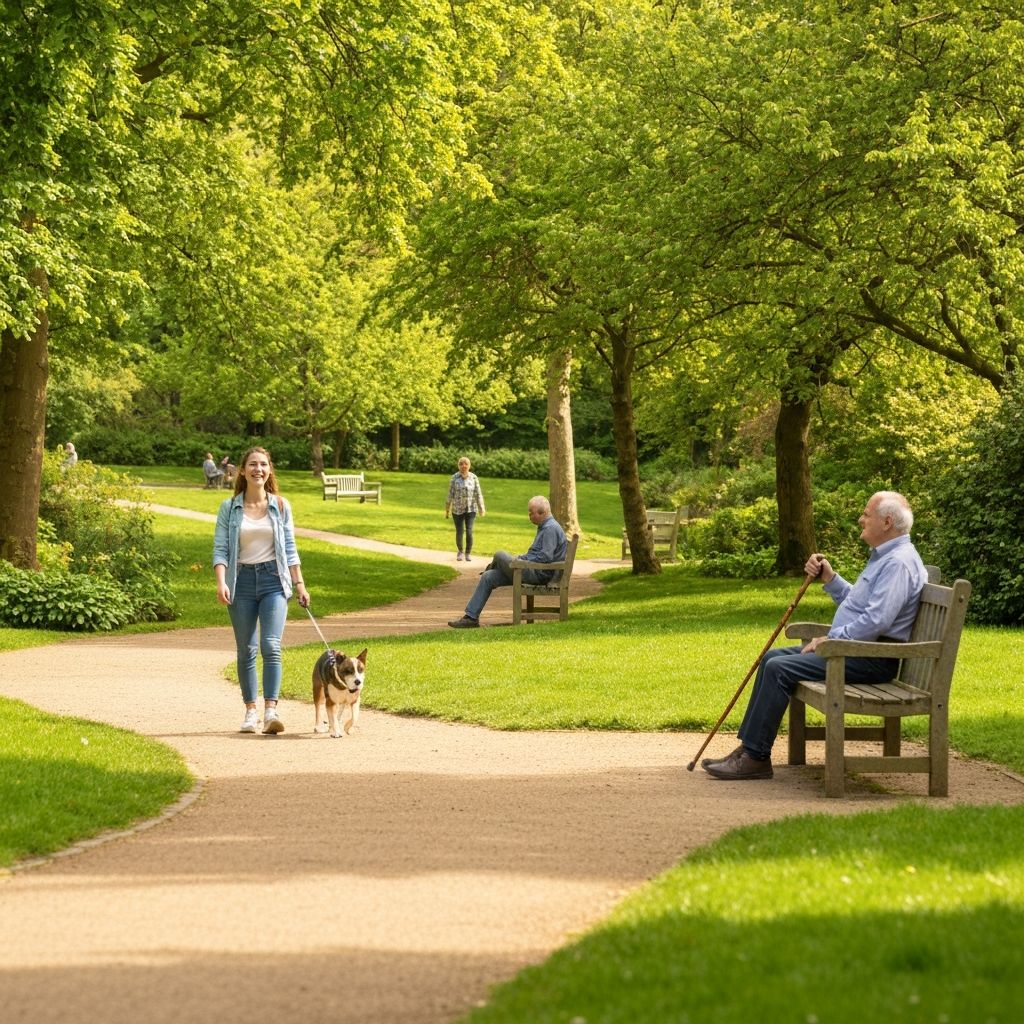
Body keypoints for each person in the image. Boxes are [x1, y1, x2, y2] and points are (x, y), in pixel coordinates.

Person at [703, 490, 929, 781]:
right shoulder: (885, 558)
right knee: (772, 658)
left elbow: (877, 620)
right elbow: (860, 606)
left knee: (778, 668)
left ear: (886, 522)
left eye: (866, 514)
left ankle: (756, 758)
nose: (861, 519)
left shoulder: (898, 562)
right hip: (854, 651)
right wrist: (830, 579)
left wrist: (835, 640)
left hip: (869, 658)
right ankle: (749, 750)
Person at [212, 446, 310, 734]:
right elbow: (220, 549)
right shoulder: (229, 508)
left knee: (271, 645)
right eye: (252, 464)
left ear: (269, 470)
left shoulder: (280, 505)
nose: (258, 469)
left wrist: (300, 584)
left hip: (273, 581)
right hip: (239, 581)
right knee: (247, 649)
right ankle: (250, 712)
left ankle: (271, 711)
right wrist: (221, 582)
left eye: (263, 464)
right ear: (242, 470)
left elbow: (290, 548)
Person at [448, 495, 567, 628]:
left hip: (539, 574)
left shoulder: (550, 528)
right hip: (531, 569)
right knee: (489, 577)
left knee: (500, 554)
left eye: (531, 513)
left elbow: (546, 557)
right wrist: (522, 558)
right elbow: (538, 554)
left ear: (542, 513)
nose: (529, 516)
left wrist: (521, 560)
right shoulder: (545, 526)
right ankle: (471, 618)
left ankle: (493, 566)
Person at [445, 456, 486, 562]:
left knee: (469, 531)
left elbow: (478, 493)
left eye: (466, 463)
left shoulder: (473, 477)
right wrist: (447, 510)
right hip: (457, 510)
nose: (464, 466)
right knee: (459, 531)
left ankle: (468, 553)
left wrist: (482, 508)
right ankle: (460, 552)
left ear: (469, 465)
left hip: (471, 509)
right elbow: (450, 494)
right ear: (458, 466)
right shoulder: (454, 478)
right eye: (461, 464)